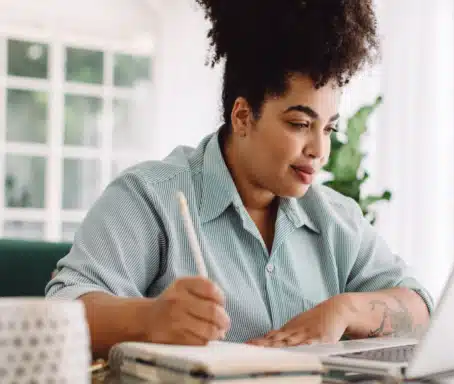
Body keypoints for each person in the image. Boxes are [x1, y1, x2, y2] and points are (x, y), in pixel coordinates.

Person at [46, 0, 432, 358]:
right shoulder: (150, 197)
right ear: (243, 117)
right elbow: (59, 314)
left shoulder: (337, 220)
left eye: (328, 129)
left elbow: (421, 307)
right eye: (300, 124)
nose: (319, 149)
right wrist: (150, 319)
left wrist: (343, 309)